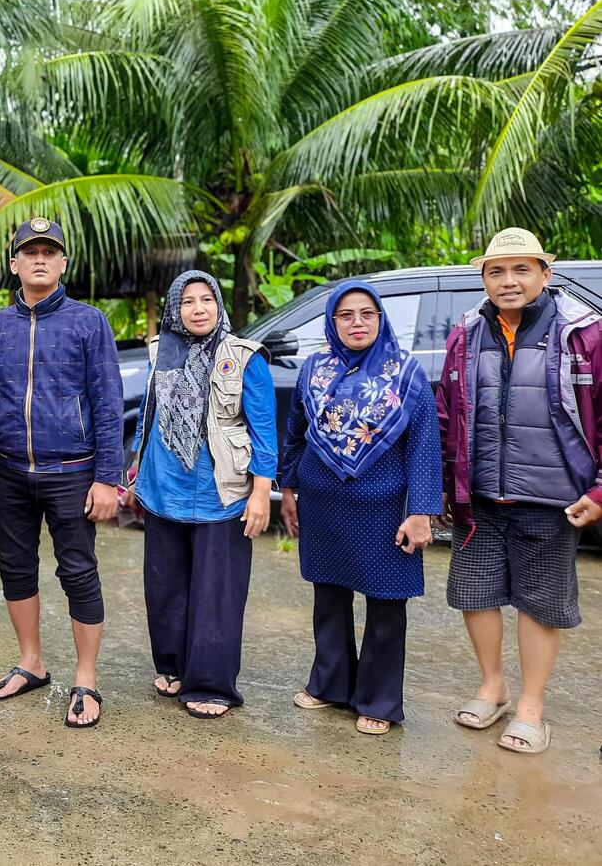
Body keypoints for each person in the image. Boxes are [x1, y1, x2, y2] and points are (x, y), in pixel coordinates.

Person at [437, 228, 602, 755]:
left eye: (521, 269)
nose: (508, 281)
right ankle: (494, 687)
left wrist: (600, 490)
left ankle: (531, 706)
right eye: (496, 271)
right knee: (475, 595)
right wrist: (446, 482)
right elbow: (448, 413)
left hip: (553, 498)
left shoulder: (584, 335)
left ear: (545, 275)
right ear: (483, 279)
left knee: (541, 604)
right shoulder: (466, 333)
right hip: (480, 497)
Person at [0, 218, 122, 729]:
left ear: (62, 264)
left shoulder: (88, 322)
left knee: (78, 570)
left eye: (49, 252)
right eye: (28, 252)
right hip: (10, 470)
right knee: (15, 567)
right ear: (14, 263)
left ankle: (86, 678)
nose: (39, 259)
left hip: (72, 472)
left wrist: (107, 477)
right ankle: (31, 662)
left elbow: (107, 401)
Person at [279, 282, 442, 734]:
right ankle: (330, 685)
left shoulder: (404, 373)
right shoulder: (314, 369)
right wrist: (288, 489)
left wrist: (421, 510)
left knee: (387, 603)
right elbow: (295, 434)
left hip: (385, 509)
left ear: (380, 318)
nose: (356, 323)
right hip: (323, 504)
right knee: (328, 596)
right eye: (345, 315)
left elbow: (424, 446)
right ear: (332, 322)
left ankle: (379, 699)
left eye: (366, 314)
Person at [127, 270, 276, 719]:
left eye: (206, 300)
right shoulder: (161, 351)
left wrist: (261, 492)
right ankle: (172, 666)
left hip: (221, 490)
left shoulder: (244, 356)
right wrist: (135, 465)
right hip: (163, 485)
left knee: (217, 591)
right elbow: (147, 413)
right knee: (165, 585)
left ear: (219, 306)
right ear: (176, 308)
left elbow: (263, 428)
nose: (197, 309)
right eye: (188, 301)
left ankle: (210, 683)